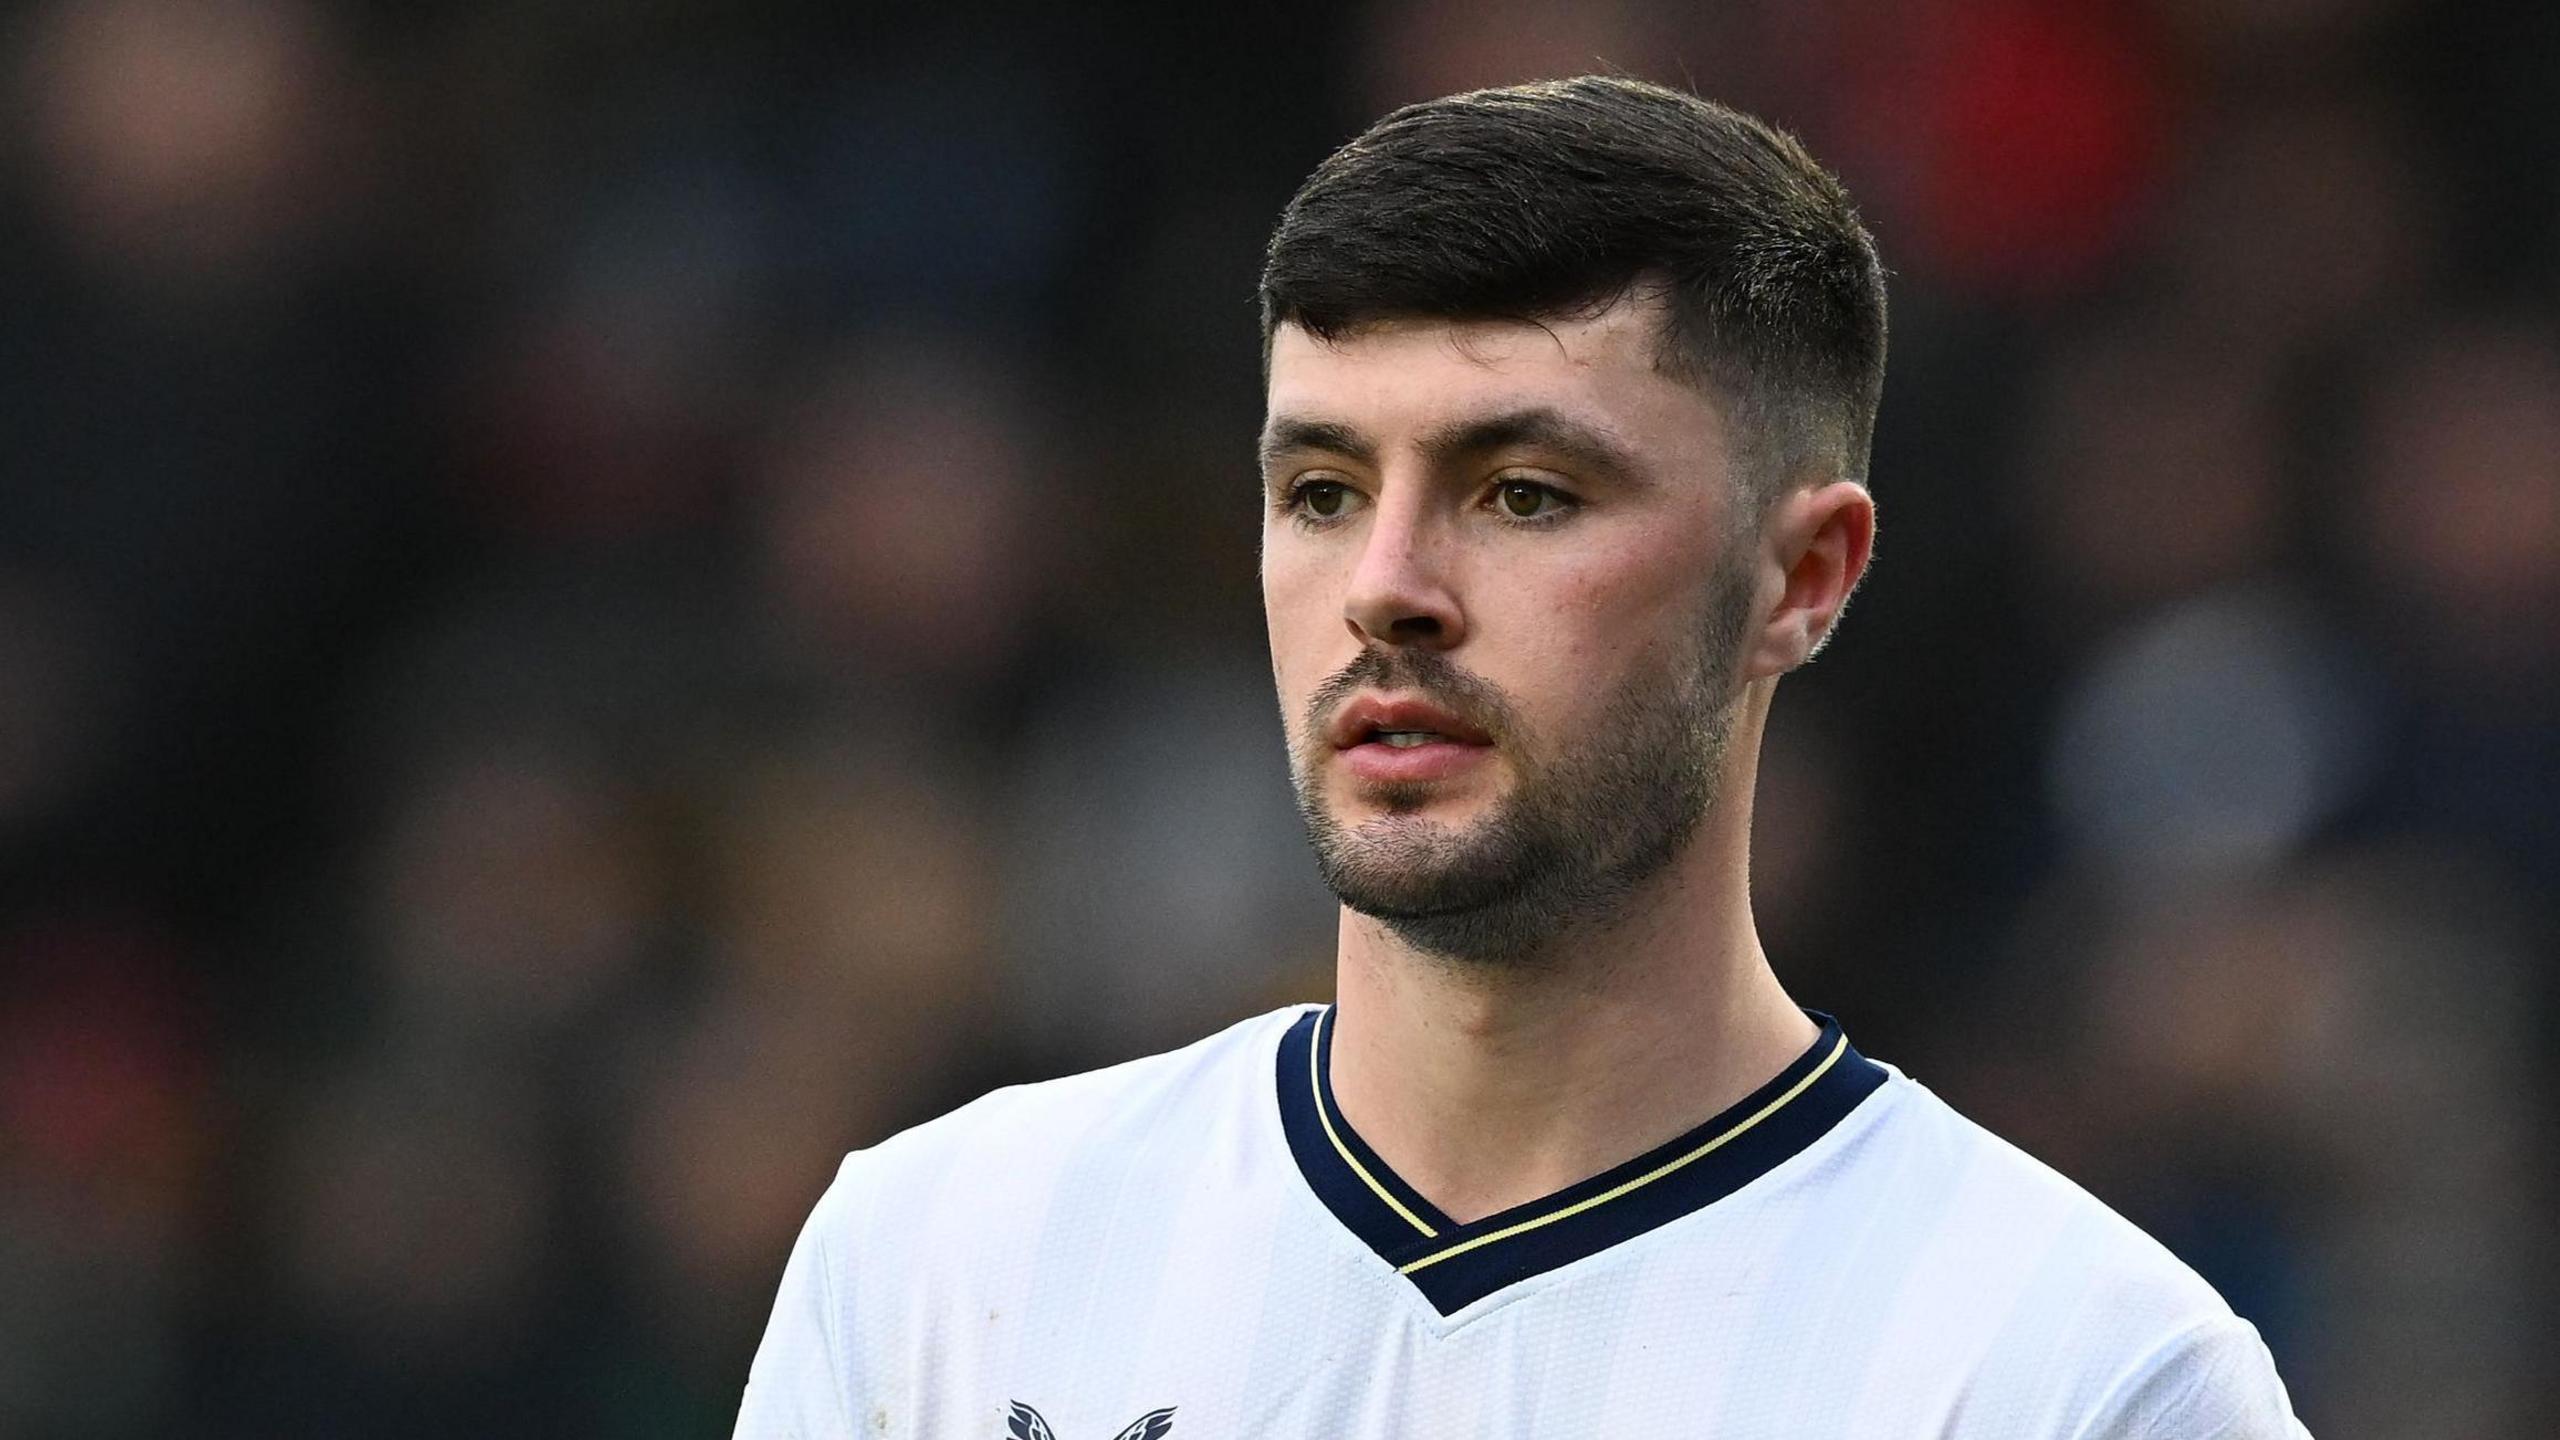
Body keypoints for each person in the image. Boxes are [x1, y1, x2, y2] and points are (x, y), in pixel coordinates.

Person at [733, 76, 2310, 1438]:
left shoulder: (2077, 1375)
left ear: (1803, 578)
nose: (1387, 589)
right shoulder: (940, 1263)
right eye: (1325, 491)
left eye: (1526, 492)